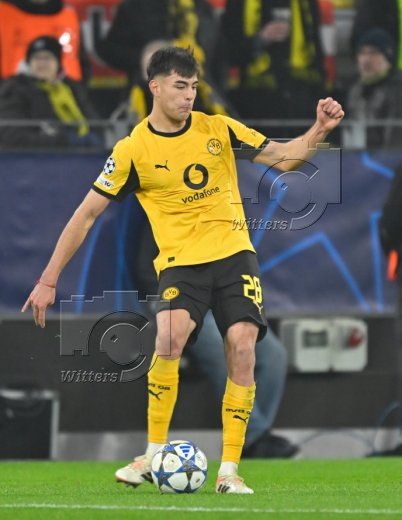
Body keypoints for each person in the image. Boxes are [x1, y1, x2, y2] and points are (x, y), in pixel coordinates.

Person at [22, 46, 344, 493]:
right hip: (180, 263)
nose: (189, 95)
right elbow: (87, 213)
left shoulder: (219, 128)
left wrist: (319, 129)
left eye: (193, 86)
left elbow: (285, 158)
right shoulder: (133, 149)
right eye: (179, 86)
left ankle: (229, 471)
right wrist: (48, 278)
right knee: (169, 337)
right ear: (155, 87)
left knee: (243, 345)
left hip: (233, 255)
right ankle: (152, 455)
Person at [134, 218, 298, 459]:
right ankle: (254, 438)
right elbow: (147, 271)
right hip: (184, 301)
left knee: (274, 355)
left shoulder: (226, 213)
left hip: (224, 300)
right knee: (223, 350)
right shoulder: (167, 209)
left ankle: (246, 440)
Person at [220, 0, 327, 131]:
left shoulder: (307, 3)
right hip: (256, 102)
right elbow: (227, 52)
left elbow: (316, 50)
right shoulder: (238, 3)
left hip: (301, 100)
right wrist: (261, 39)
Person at [0, 35, 101, 149]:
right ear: (28, 62)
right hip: (39, 158)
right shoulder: (14, 90)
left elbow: (96, 125)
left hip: (85, 155)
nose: (42, 63)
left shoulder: (72, 88)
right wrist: (65, 141)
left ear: (58, 63)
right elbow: (13, 137)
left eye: (48, 58)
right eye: (37, 58)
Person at [0, 0, 88, 82]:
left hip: (67, 90)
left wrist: (80, 90)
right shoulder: (4, 14)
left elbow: (82, 61)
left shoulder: (69, 15)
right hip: (13, 90)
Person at [346, 28, 402, 148]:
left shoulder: (397, 90)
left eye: (374, 53)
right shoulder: (354, 90)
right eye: (362, 53)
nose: (366, 59)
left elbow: (395, 141)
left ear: (388, 59)